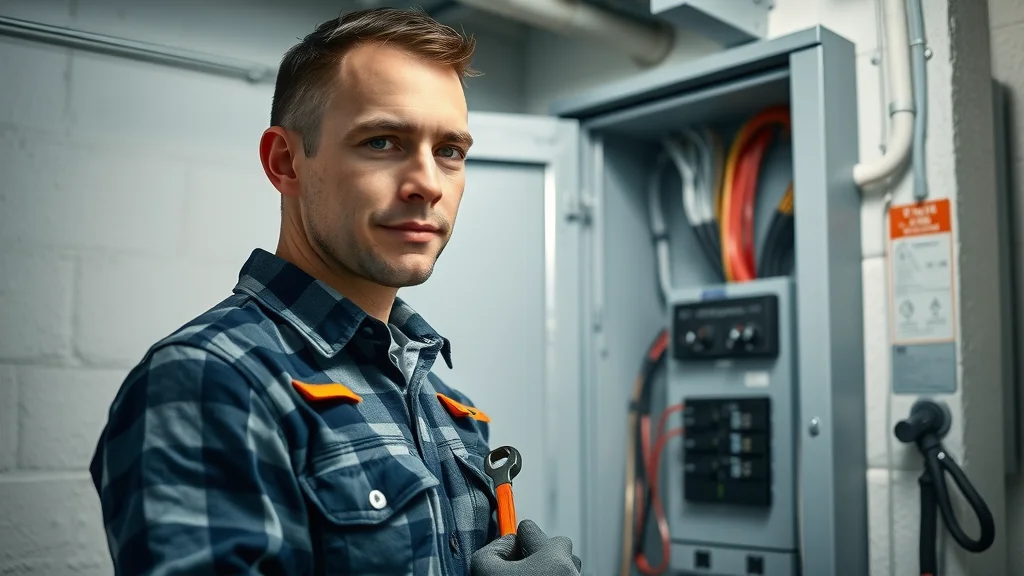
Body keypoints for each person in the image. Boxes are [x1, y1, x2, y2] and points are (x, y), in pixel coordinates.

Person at [88, 7, 582, 576]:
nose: (427, 184)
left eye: (449, 151)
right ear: (286, 162)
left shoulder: (451, 409)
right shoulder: (211, 383)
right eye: (382, 141)